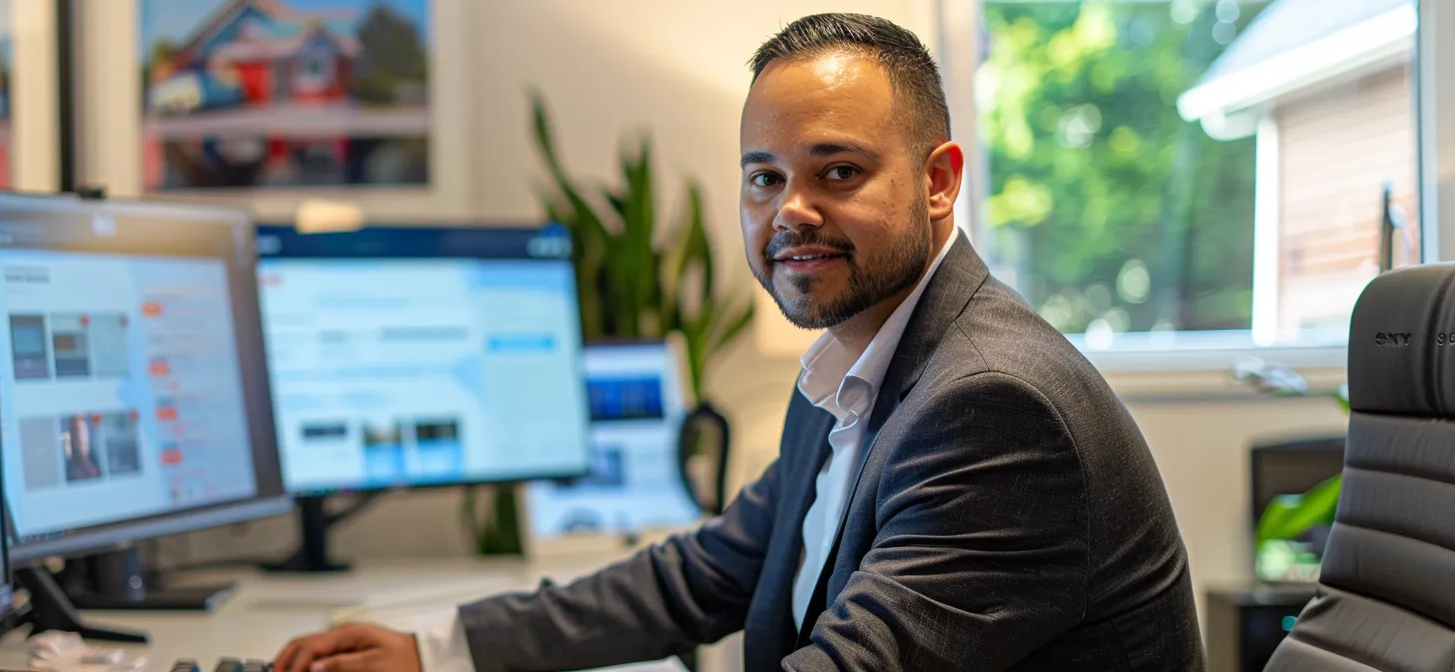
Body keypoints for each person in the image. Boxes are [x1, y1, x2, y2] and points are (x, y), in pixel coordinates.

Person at [276, 13, 1203, 672]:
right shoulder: (860, 361)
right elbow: (708, 572)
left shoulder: (993, 405)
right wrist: (438, 652)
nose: (791, 211)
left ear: (938, 181)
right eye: (764, 178)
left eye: (837, 171)